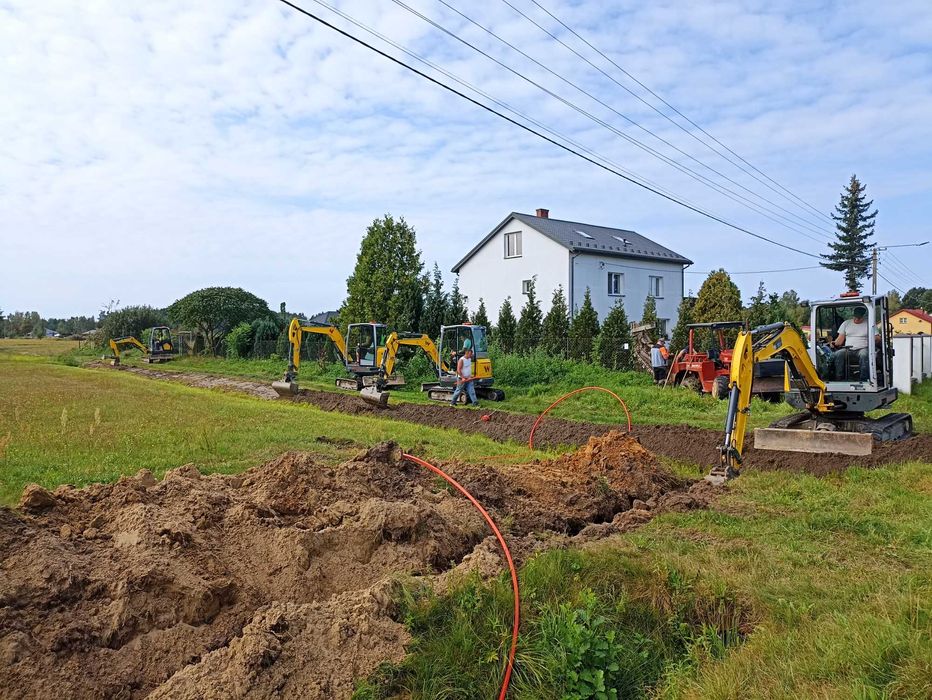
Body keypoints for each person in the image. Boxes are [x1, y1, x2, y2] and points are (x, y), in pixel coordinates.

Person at [830, 306, 876, 381]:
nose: (856, 319)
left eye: (859, 318)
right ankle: (839, 377)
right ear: (853, 315)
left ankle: (864, 379)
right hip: (848, 349)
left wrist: (874, 338)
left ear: (863, 316)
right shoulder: (846, 323)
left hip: (863, 348)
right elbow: (840, 340)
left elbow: (877, 338)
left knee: (864, 354)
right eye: (855, 317)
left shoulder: (869, 324)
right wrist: (834, 343)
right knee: (838, 354)